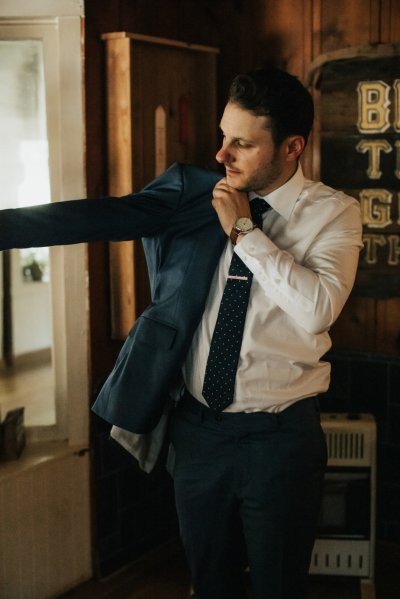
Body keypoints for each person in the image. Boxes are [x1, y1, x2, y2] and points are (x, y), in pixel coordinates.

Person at [0, 67, 362, 598]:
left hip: (280, 440)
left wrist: (244, 231)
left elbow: (317, 310)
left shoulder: (334, 214)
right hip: (199, 434)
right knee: (208, 581)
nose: (222, 155)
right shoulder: (191, 195)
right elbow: (98, 218)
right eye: (223, 136)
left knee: (278, 586)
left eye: (241, 143)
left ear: (292, 148)